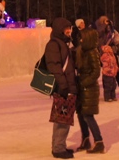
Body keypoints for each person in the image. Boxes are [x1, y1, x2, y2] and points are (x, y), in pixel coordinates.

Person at [44, 17, 77, 159]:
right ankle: (58, 148)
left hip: (68, 85)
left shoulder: (65, 43)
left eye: (70, 28)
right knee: (62, 118)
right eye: (66, 29)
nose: (69, 31)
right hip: (62, 87)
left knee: (63, 118)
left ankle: (59, 145)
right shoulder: (54, 44)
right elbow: (54, 66)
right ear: (60, 30)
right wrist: (63, 85)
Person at [74, 27, 105, 154]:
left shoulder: (92, 52)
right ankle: (86, 139)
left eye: (83, 37)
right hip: (82, 87)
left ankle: (99, 142)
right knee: (81, 113)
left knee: (88, 115)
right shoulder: (82, 51)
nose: (80, 39)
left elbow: (96, 72)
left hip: (89, 88)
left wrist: (84, 83)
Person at [95, 16, 119, 92]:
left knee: (117, 69)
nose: (107, 23)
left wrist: (115, 48)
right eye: (105, 21)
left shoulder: (112, 31)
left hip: (112, 53)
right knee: (106, 72)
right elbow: (99, 40)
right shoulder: (99, 31)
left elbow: (117, 39)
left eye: (107, 21)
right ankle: (107, 89)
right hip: (103, 53)